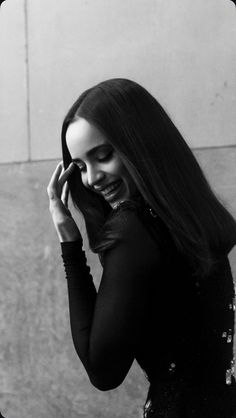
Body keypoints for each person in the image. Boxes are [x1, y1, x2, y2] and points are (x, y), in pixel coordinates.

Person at [47, 78, 236, 417]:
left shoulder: (134, 230)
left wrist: (69, 245)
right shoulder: (187, 216)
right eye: (79, 167)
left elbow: (102, 371)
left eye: (103, 156)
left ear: (140, 145)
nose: (91, 179)